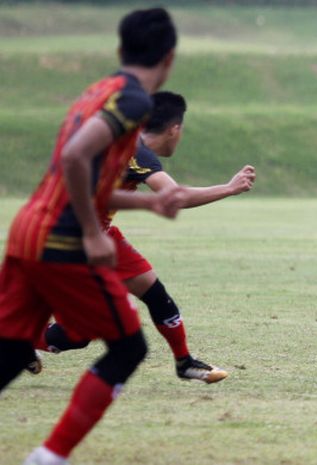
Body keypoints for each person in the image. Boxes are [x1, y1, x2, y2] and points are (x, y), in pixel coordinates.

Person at [0, 8, 181, 465]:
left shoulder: (100, 90)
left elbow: (82, 172)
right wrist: (90, 232)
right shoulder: (135, 102)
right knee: (127, 346)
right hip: (61, 240)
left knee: (11, 350)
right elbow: (77, 158)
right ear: (170, 59)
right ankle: (49, 457)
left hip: (28, 228)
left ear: (121, 51)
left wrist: (147, 202)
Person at [33, 91, 256, 384]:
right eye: (181, 131)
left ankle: (184, 362)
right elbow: (175, 197)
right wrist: (229, 188)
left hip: (99, 233)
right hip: (73, 239)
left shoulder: (126, 140)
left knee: (156, 294)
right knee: (77, 335)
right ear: (174, 129)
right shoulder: (137, 153)